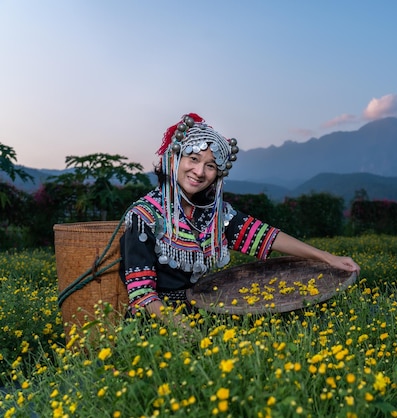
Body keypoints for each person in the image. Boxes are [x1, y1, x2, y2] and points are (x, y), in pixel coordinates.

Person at [119, 112, 360, 322]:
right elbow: (142, 295)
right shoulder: (143, 216)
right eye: (193, 159)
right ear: (174, 159)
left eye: (211, 166)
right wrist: (185, 330)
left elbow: (265, 236)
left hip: (203, 312)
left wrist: (328, 257)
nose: (200, 172)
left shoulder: (214, 213)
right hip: (155, 325)